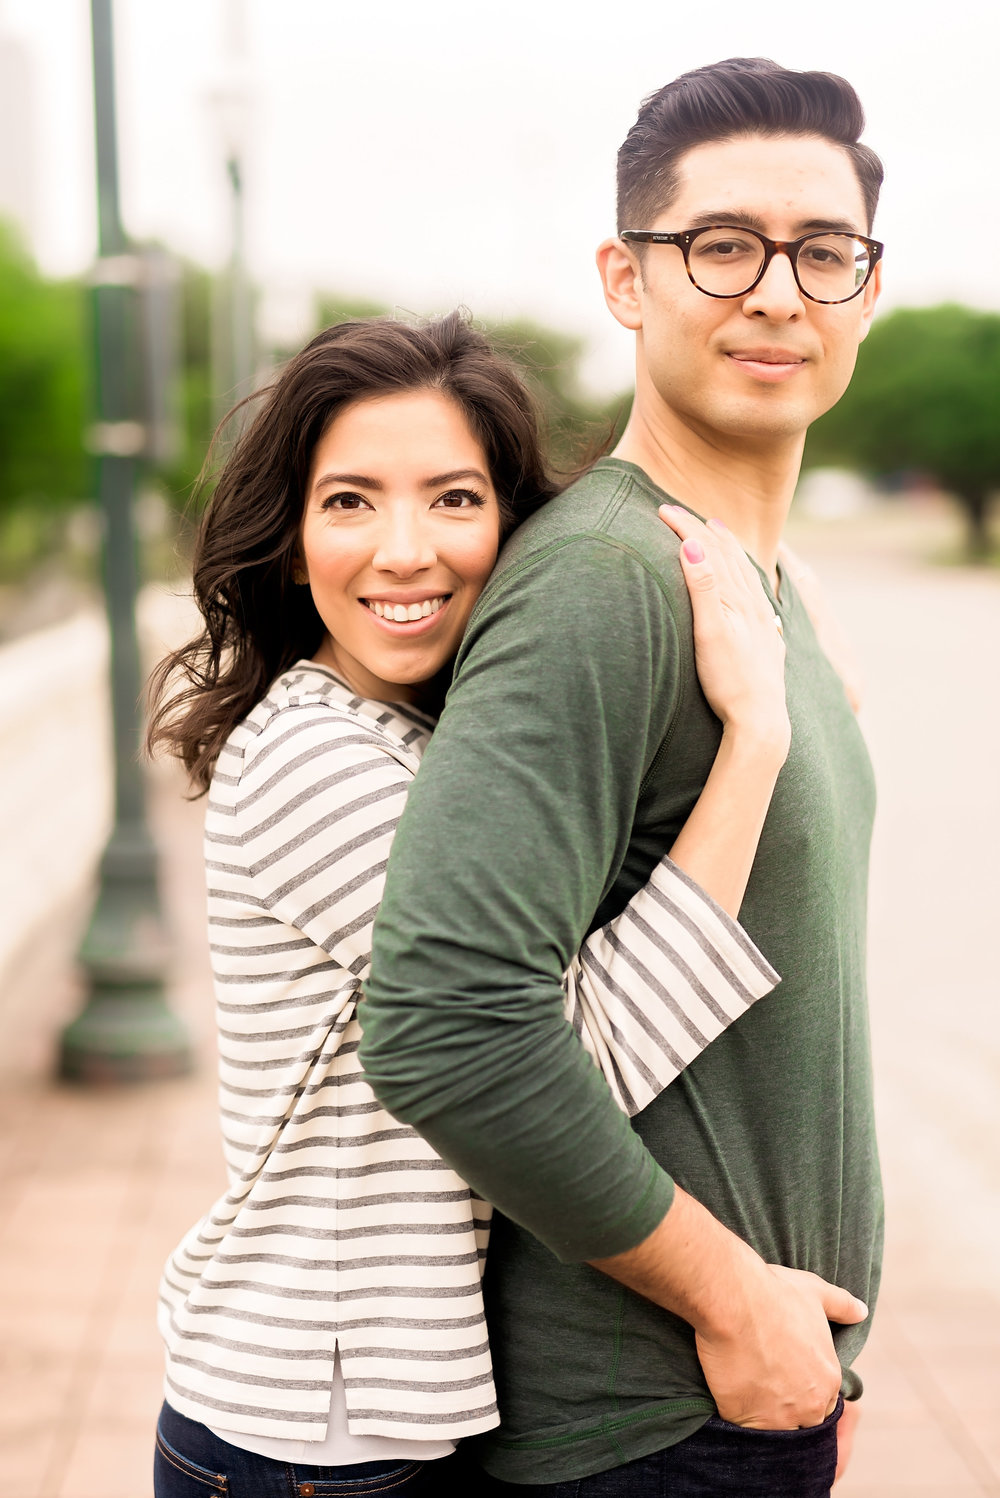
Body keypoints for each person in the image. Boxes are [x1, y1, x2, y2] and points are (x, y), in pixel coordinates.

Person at [146, 312, 797, 1497]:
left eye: (453, 499)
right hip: (311, 1426)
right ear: (291, 543)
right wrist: (754, 744)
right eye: (350, 501)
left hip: (382, 1420)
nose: (405, 549)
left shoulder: (413, 733)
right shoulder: (310, 758)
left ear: (508, 523)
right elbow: (563, 1058)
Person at [361, 58, 884, 1496]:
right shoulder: (606, 580)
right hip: (649, 1425)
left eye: (824, 252)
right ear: (625, 276)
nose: (778, 291)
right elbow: (444, 1021)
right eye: (722, 245)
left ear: (866, 292)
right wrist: (738, 1302)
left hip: (740, 1405)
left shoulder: (748, 584)